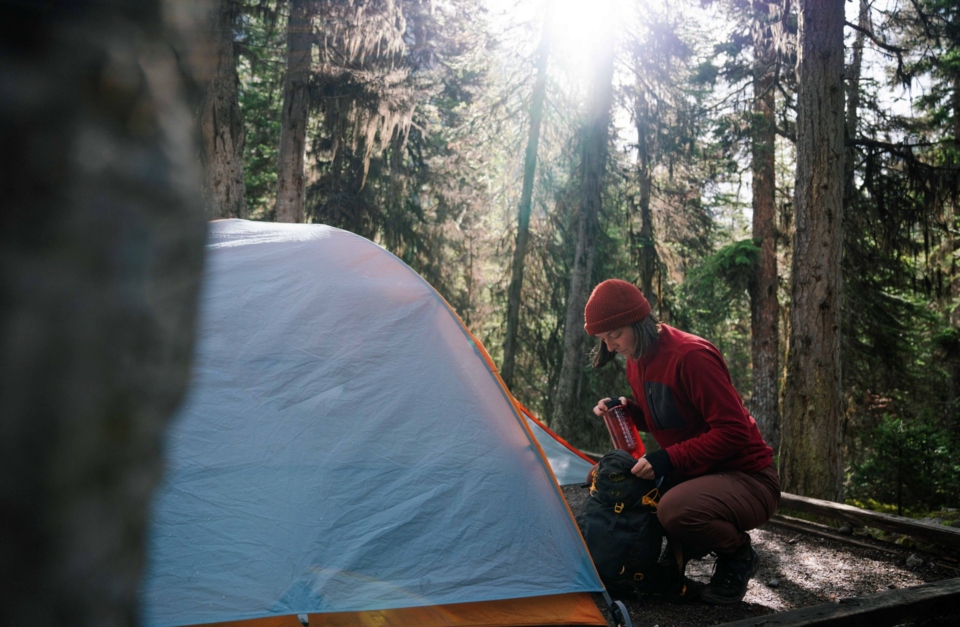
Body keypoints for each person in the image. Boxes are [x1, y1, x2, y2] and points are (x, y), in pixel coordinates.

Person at [584, 279, 780, 605]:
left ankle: (739, 554)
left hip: (748, 478)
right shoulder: (637, 359)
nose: (611, 346)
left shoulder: (690, 356)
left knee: (674, 510)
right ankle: (673, 549)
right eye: (603, 340)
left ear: (638, 320)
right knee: (601, 478)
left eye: (615, 335)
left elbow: (734, 432)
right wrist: (626, 409)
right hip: (698, 473)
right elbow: (667, 418)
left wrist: (668, 459)